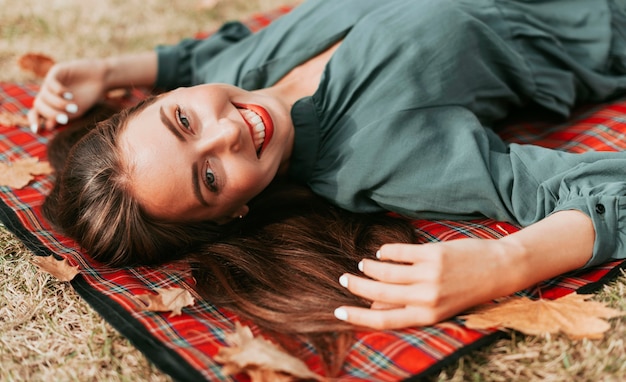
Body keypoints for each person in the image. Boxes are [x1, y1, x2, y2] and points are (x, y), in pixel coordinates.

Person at [29, 0, 626, 370]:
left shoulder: (229, 79)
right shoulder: (376, 156)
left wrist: (111, 69)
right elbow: (603, 194)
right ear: (234, 213)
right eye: (209, 177)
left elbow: (217, 53)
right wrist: (509, 262)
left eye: (182, 120)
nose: (226, 131)